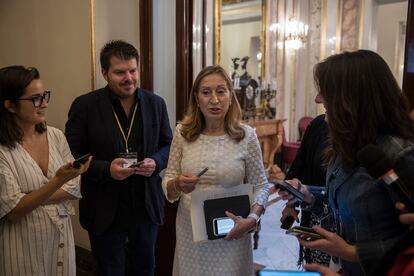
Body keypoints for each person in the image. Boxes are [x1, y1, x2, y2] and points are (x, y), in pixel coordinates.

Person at [279, 50, 414, 275]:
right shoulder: (347, 145)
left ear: (352, 98)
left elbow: (408, 244)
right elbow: (346, 201)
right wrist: (309, 194)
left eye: (325, 91)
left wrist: (353, 252)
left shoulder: (399, 154)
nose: (318, 99)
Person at [65, 40, 173, 276]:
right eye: (120, 72)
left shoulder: (156, 104)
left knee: (145, 269)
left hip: (146, 207)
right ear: (105, 73)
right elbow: (70, 154)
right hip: (104, 208)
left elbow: (168, 145)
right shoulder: (84, 106)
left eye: (133, 71)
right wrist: (106, 170)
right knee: (110, 270)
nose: (129, 78)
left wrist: (156, 162)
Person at [162, 65, 271, 276]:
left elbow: (262, 185)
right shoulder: (182, 134)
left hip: (232, 233)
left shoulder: (246, 136)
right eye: (206, 92)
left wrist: (252, 219)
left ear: (231, 95)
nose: (214, 99)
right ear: (196, 98)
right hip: (191, 237)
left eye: (221, 91)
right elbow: (168, 180)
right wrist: (177, 184)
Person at [0, 66, 91, 275]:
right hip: (22, 245)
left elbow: (74, 188)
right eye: (35, 99)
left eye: (44, 96)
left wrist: (28, 198)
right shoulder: (3, 149)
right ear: (10, 105)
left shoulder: (56, 135)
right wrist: (57, 181)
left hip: (60, 238)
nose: (45, 104)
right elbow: (13, 212)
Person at [278, 113, 333, 267]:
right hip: (315, 221)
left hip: (344, 234)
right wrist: (290, 203)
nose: (318, 99)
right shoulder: (319, 124)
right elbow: (299, 164)